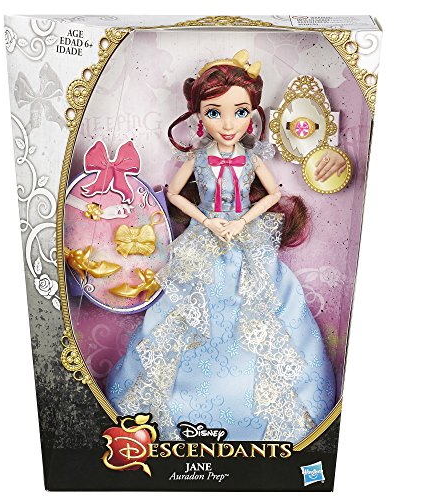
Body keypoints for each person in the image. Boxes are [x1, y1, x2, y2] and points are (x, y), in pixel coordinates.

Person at [105, 50, 335, 442]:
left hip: (247, 239)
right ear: (198, 115)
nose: (228, 124)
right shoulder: (198, 159)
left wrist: (243, 221)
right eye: (215, 112)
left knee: (265, 307)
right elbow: (174, 195)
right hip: (205, 237)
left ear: (252, 114)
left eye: (240, 112)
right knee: (183, 313)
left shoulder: (251, 159)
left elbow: (272, 194)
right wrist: (207, 220)